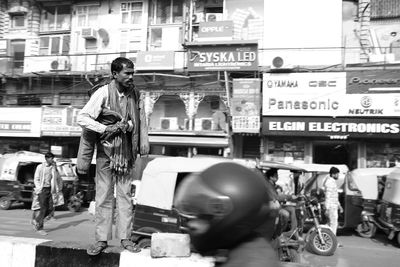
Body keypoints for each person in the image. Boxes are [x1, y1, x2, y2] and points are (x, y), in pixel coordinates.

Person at [77, 57, 149, 256]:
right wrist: (106, 128)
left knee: (125, 197)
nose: (131, 77)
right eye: (127, 73)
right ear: (115, 74)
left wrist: (128, 126)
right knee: (103, 197)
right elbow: (82, 117)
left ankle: (125, 239)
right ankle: (101, 240)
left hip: (126, 155)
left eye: (133, 73)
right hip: (106, 154)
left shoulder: (135, 94)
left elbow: (137, 121)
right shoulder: (102, 93)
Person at [174, 162, 280, 267]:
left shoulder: (250, 262)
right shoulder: (243, 252)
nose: (192, 225)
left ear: (233, 216)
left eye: (204, 216)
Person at [31, 152, 61, 236]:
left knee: (50, 209)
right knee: (43, 209)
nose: (52, 160)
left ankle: (36, 220)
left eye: (53, 158)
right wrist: (38, 189)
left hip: (50, 190)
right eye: (51, 158)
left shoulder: (53, 167)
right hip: (42, 190)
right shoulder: (40, 167)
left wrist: (55, 168)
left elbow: (57, 177)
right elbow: (36, 178)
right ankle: (40, 228)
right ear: (47, 158)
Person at [264, 168, 298, 239]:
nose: (277, 177)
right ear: (271, 177)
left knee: (292, 209)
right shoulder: (268, 186)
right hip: (271, 206)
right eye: (276, 175)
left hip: (276, 204)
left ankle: (293, 231)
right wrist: (290, 197)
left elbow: (279, 196)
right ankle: (279, 233)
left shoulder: (274, 185)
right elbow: (276, 197)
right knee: (286, 214)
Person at [323, 167, 343, 236]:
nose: (338, 175)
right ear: (333, 174)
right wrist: (327, 208)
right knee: (333, 224)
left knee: (332, 224)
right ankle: (332, 241)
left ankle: (329, 240)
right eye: (337, 174)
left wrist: (339, 206)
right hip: (331, 207)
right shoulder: (329, 182)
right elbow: (327, 196)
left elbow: (335, 196)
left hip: (333, 206)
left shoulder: (332, 182)